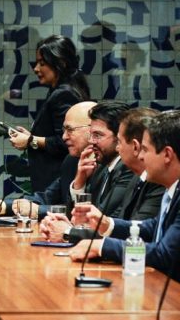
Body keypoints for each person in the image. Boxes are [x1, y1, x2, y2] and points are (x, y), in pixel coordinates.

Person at [68, 110, 180, 279]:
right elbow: (152, 228)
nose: (140, 156)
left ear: (167, 155)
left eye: (145, 149)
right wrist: (107, 224)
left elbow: (165, 254)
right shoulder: (172, 188)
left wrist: (102, 247)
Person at [0, 101, 95, 220]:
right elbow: (45, 199)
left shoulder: (109, 167)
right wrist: (1, 206)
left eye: (70, 129)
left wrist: (37, 211)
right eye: (64, 130)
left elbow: (91, 215)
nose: (64, 137)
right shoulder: (71, 161)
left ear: (92, 129)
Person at [7, 35, 90, 194]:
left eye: (42, 63)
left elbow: (66, 141)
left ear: (61, 63)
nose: (36, 68)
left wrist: (31, 140)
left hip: (57, 181)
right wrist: (31, 137)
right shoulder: (62, 90)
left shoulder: (64, 94)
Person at [67, 101, 133, 217]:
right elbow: (76, 216)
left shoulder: (127, 168)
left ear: (119, 137)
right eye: (91, 135)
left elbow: (99, 219)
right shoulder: (100, 168)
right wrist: (79, 183)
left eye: (98, 135)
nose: (91, 141)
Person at [115, 107, 164, 220]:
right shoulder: (136, 176)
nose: (117, 148)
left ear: (135, 147)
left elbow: (142, 229)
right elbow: (119, 220)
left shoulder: (160, 181)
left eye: (119, 142)